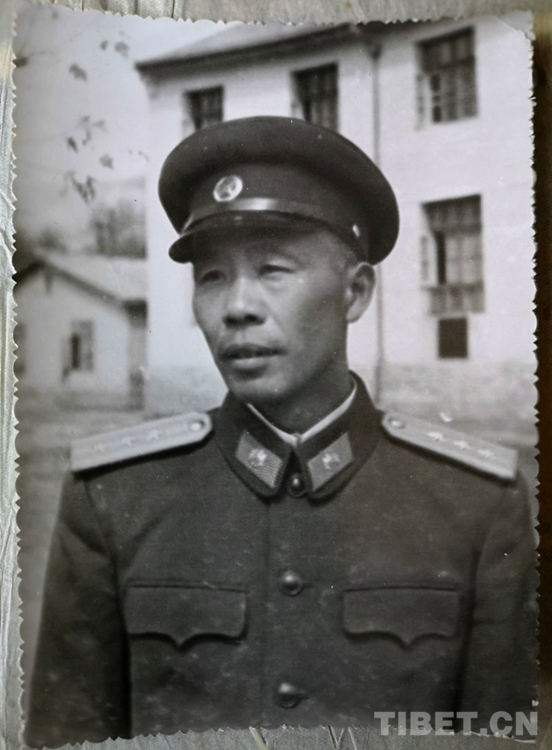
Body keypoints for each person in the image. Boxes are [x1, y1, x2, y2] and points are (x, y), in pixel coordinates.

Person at [26, 117, 537, 747]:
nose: (237, 307)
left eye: (272, 269)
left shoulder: (478, 504)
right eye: (211, 276)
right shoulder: (112, 497)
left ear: (355, 292)